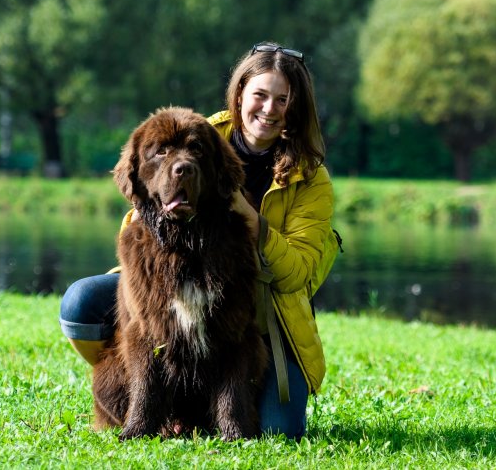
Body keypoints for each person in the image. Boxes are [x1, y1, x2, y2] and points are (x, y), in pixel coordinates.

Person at [59, 42, 340, 439]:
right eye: (260, 94)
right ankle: (156, 409)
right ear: (240, 93)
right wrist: (155, 217)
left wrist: (251, 219)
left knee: (281, 431)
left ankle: (216, 413)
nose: (269, 108)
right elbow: (139, 201)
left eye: (283, 99)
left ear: (296, 108)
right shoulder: (203, 132)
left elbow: (298, 273)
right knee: (86, 303)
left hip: (267, 314)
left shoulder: (310, 178)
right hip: (174, 265)